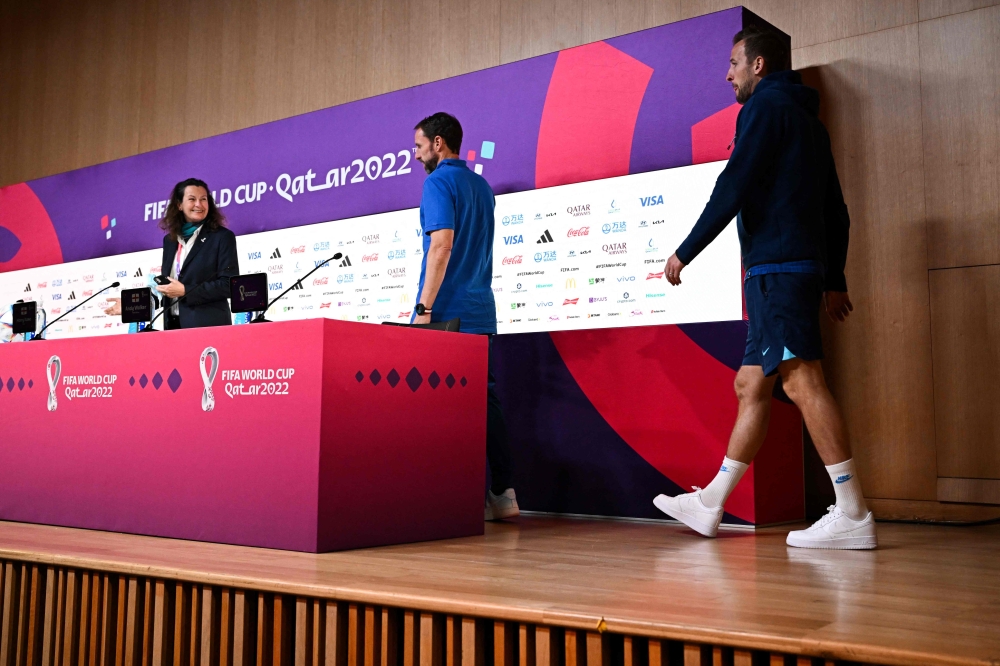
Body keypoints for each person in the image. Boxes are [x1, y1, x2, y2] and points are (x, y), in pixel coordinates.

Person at [652, 26, 876, 549]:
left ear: (758, 65)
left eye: (734, 63)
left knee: (802, 383)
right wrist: (834, 279)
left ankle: (853, 512)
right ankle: (711, 503)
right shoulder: (808, 122)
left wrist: (686, 250)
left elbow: (734, 183)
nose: (727, 74)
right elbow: (836, 211)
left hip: (777, 271)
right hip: (789, 272)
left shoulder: (762, 109)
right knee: (750, 385)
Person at [411, 112, 517, 522]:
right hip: (480, 312)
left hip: (445, 314)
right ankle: (503, 493)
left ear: (438, 143)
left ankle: (443, 497)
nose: (416, 154)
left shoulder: (437, 182)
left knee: (435, 407)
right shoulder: (482, 187)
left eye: (419, 145)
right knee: (484, 404)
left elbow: (442, 246)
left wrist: (423, 309)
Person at [155, 178, 239, 329]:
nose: (199, 204)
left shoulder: (222, 237)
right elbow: (169, 285)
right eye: (192, 199)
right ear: (179, 205)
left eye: (203, 199)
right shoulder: (170, 240)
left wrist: (186, 291)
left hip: (207, 326)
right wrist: (132, 306)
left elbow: (228, 285)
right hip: (173, 327)